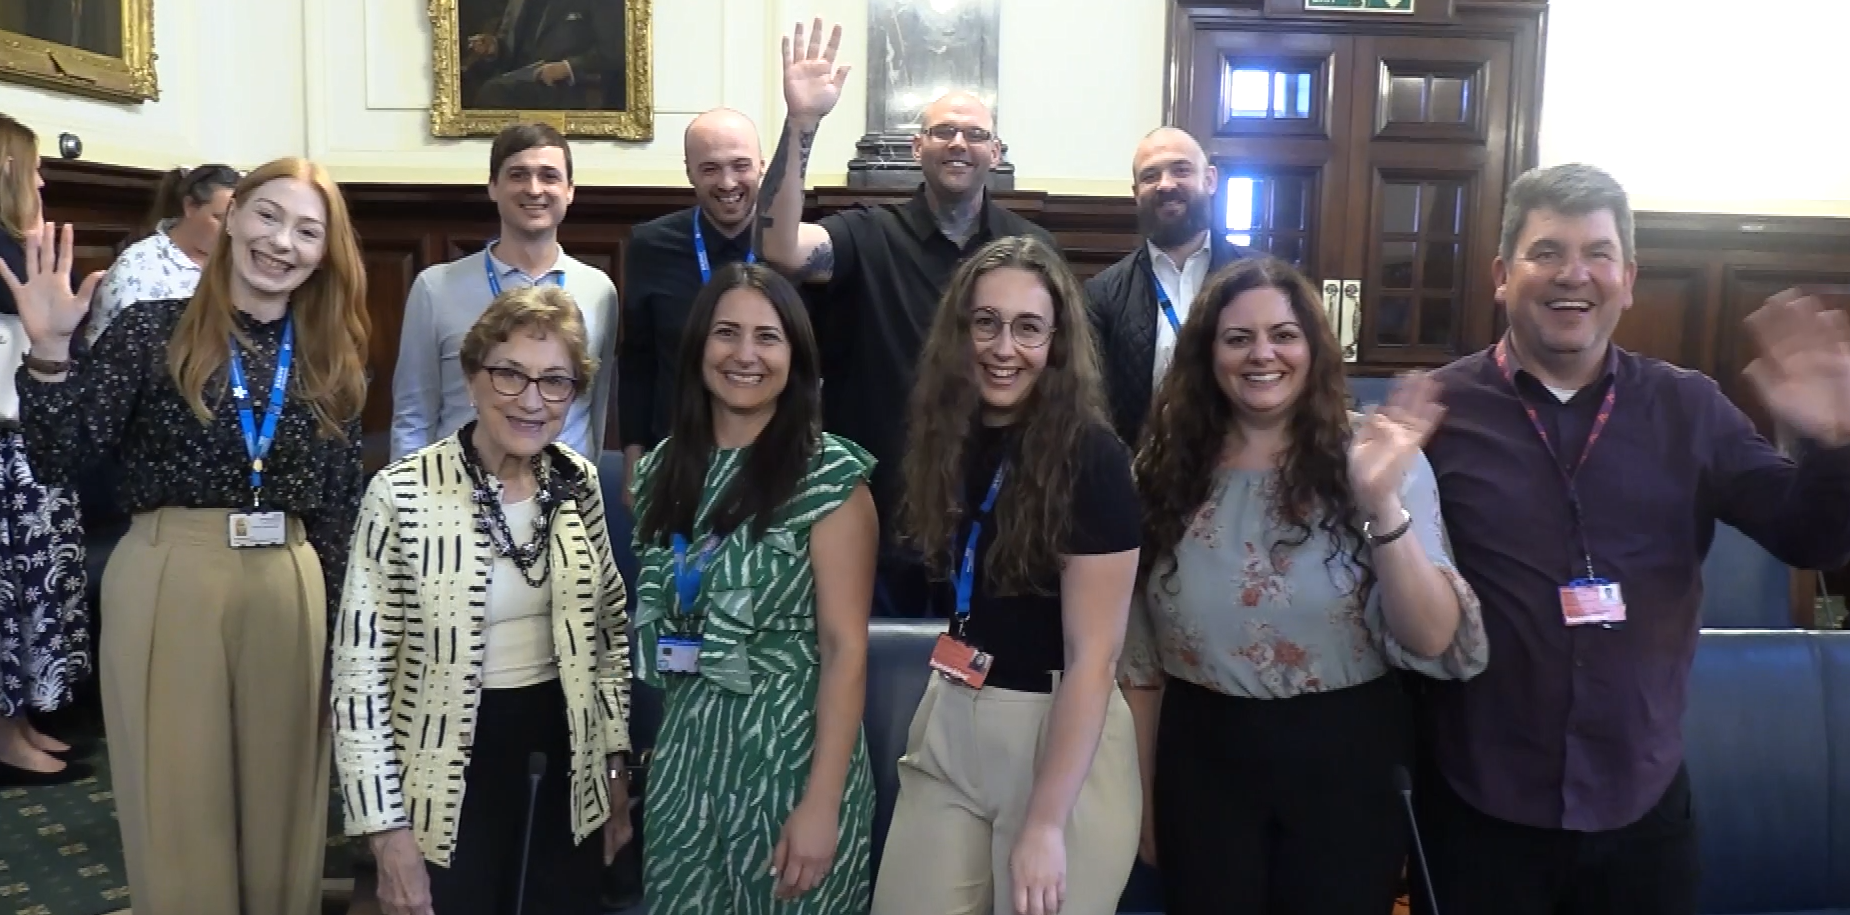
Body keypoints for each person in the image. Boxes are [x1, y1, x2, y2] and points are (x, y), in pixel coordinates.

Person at [1413, 163, 1850, 915]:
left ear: (1629, 277)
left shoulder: (1689, 407)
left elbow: (1805, 535)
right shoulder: (1438, 412)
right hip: (1479, 809)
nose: (1572, 273)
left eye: (1597, 252)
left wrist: (1831, 442)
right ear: (1500, 274)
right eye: (1546, 251)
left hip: (1640, 808)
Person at [6, 156, 370, 915]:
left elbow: (338, 508)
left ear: (324, 252)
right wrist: (46, 355)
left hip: (289, 582)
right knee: (180, 796)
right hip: (170, 575)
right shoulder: (149, 330)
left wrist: (340, 631)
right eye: (267, 216)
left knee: (284, 802)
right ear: (229, 218)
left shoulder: (333, 357)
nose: (282, 242)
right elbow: (60, 454)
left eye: (308, 230)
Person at [1121, 257, 1488, 913]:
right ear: (1209, 353)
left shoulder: (1380, 455)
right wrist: (1143, 798)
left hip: (1348, 756)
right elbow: (1141, 663)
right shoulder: (1161, 469)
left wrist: (1378, 500)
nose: (1263, 353)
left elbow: (1432, 634)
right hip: (1201, 758)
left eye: (1284, 334)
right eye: (1238, 338)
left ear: (1313, 347)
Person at [334, 285, 635, 915]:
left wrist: (613, 779)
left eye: (555, 381)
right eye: (509, 374)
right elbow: (357, 685)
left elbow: (609, 643)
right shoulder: (402, 493)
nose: (531, 400)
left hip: (564, 767)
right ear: (472, 377)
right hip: (444, 782)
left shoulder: (578, 483)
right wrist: (387, 838)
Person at [871, 236, 1141, 915]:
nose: (1002, 347)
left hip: (1058, 734)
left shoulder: (1092, 456)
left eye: (1027, 328)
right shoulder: (948, 434)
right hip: (954, 712)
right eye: (984, 323)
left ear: (1056, 342)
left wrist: (1046, 822)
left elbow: (1094, 658)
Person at [758, 18, 1057, 618]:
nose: (958, 144)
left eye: (975, 134)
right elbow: (780, 249)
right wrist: (802, 125)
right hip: (878, 520)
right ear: (916, 147)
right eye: (943, 131)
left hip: (996, 523)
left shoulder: (1030, 251)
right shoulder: (868, 235)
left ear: (994, 154)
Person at [629, 262, 877, 912]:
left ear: (795, 356)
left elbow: (846, 649)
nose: (745, 354)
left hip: (792, 761)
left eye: (767, 337)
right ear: (698, 347)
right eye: (726, 333)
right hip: (684, 766)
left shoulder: (829, 476)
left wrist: (823, 803)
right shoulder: (659, 470)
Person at [391, 123, 618, 460]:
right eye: (518, 175)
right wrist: (410, 506)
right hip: (458, 494)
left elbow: (593, 412)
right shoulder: (435, 288)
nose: (534, 189)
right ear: (493, 187)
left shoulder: (599, 291)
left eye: (549, 176)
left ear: (569, 191)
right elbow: (413, 417)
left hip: (561, 495)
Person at [0, 112, 91, 787]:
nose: (41, 176)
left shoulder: (19, 246)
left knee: (32, 593)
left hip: (26, 440)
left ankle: (21, 719)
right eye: (32, 164)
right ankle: (5, 734)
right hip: (6, 438)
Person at [619, 107, 765, 497]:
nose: (728, 182)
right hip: (676, 460)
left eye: (740, 165)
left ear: (762, 166)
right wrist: (634, 463)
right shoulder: (650, 245)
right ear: (689, 172)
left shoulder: (794, 249)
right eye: (710, 168)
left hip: (770, 463)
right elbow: (637, 361)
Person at [1086, 127, 1257, 446]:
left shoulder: (1260, 282)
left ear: (1210, 180)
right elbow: (1092, 404)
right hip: (1141, 477)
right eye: (1151, 176)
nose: (1166, 184)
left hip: (1240, 468)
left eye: (1181, 170)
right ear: (1136, 193)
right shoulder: (1101, 295)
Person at [86, 163, 239, 345]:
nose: (231, 230)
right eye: (220, 218)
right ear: (190, 206)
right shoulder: (137, 270)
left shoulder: (241, 262)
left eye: (237, 220)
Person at [465, 0, 627, 110]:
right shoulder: (517, 3)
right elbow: (512, 54)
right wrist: (494, 48)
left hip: (575, 89)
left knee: (492, 93)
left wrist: (567, 68)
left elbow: (613, 51)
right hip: (524, 83)